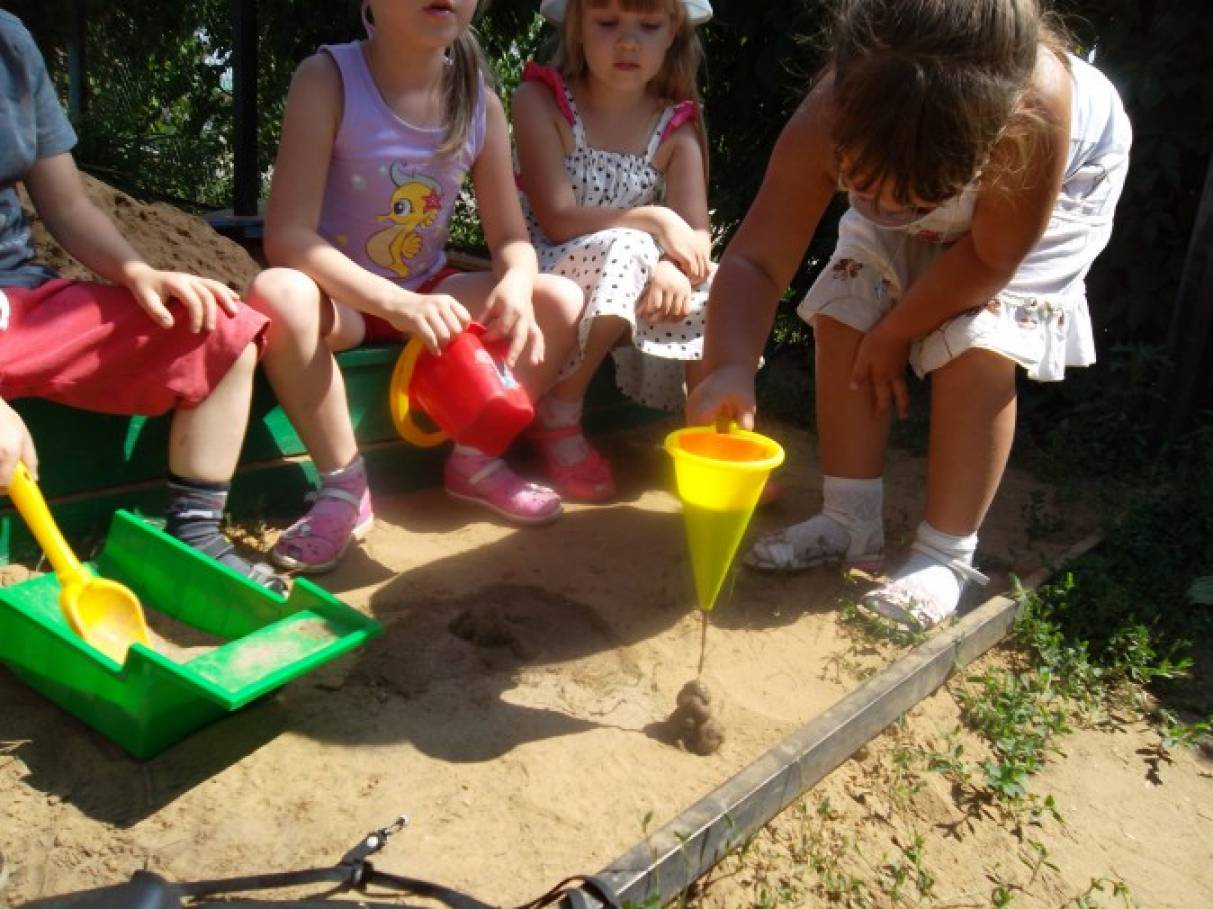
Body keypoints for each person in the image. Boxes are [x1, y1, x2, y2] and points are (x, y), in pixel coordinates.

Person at [687, 0, 1131, 629]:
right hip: (947, 159)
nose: (891, 217)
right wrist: (729, 366)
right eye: (864, 191)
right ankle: (849, 520)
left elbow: (990, 257)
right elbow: (757, 259)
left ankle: (945, 555)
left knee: (977, 341)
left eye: (917, 202)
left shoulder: (1035, 115)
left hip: (1051, 185)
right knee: (846, 305)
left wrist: (898, 330)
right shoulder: (833, 113)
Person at [245, 0, 585, 573]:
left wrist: (519, 283)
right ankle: (343, 487)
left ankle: (476, 460)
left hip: (429, 288)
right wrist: (397, 304)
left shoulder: (479, 101)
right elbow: (288, 238)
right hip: (343, 296)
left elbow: (510, 238)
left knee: (561, 298)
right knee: (280, 294)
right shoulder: (328, 80)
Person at [0, 11, 284, 593]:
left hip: (18, 301)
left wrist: (138, 272)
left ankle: (195, 534)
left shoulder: (9, 41)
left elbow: (69, 206)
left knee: (218, 326)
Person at [511, 0, 714, 502]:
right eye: (608, 23)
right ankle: (559, 414)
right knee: (628, 246)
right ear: (578, 27)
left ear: (673, 34)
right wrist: (654, 221)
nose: (628, 42)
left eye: (648, 26)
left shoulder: (676, 125)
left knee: (717, 280)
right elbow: (556, 218)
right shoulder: (542, 101)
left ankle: (711, 436)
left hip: (627, 267)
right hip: (545, 267)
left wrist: (672, 263)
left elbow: (697, 233)